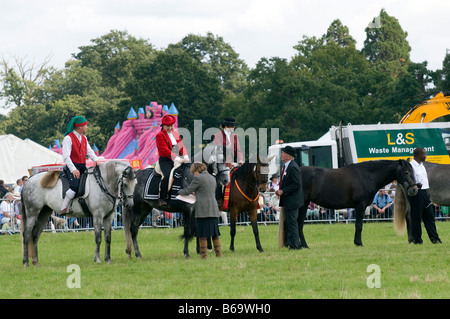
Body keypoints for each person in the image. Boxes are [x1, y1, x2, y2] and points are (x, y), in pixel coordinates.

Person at [178, 162, 222, 259]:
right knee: (215, 234)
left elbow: (187, 191)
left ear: (197, 170)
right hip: (213, 209)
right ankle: (218, 254)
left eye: (194, 172)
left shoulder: (198, 178)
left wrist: (178, 192)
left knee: (202, 235)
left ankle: (204, 255)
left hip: (202, 211)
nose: (194, 174)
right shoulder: (212, 178)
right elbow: (205, 191)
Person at [60, 116, 100, 215]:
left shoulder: (84, 138)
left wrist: (96, 160)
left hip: (82, 166)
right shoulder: (68, 138)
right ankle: (64, 207)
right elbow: (65, 157)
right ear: (79, 127)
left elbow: (89, 151)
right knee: (75, 186)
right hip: (72, 166)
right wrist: (73, 169)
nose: (87, 127)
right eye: (85, 125)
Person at [408, 147, 442, 244]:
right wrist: (415, 184)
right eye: (424, 154)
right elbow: (409, 180)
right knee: (416, 218)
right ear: (418, 155)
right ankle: (417, 240)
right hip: (416, 193)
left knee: (430, 217)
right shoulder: (411, 166)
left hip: (425, 193)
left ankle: (435, 239)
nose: (426, 155)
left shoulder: (422, 165)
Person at [155, 114, 189, 206]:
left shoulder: (175, 133)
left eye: (171, 126)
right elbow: (165, 150)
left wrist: (185, 155)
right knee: (167, 176)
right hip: (166, 160)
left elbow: (181, 146)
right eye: (168, 126)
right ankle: (162, 198)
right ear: (163, 126)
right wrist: (177, 158)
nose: (170, 128)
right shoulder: (159, 135)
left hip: (177, 159)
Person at [275, 145, 304, 250]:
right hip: (289, 200)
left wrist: (283, 191)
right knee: (290, 222)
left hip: (293, 200)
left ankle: (295, 245)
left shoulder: (293, 167)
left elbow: (296, 184)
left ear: (288, 155)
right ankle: (292, 243)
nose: (281, 155)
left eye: (283, 153)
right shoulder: (287, 166)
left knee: (292, 223)